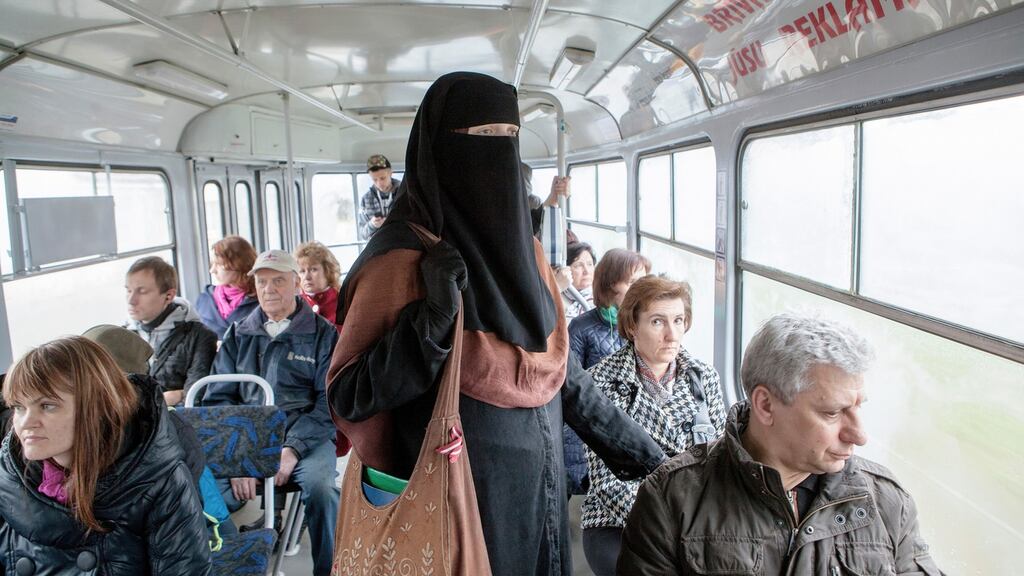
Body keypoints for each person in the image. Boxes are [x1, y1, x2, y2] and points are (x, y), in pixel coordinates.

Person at [327, 71, 666, 575]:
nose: (500, 155)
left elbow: (560, 375)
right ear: (441, 152)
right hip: (459, 503)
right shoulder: (400, 261)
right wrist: (432, 322)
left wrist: (654, 460)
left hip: (540, 495)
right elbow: (353, 393)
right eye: (484, 139)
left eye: (510, 138)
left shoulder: (525, 254)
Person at [618, 313, 944, 575]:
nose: (859, 435)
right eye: (832, 413)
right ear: (766, 405)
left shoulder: (886, 503)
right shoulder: (672, 500)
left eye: (859, 407)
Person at [0, 337, 211, 575]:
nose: (26, 422)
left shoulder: (157, 478)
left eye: (47, 406)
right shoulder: (8, 476)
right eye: (19, 407)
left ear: (96, 408)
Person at [203, 249, 339, 576]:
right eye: (262, 282)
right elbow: (218, 400)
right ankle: (235, 561)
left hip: (306, 438)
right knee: (200, 490)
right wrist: (237, 457)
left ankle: (329, 570)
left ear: (296, 285)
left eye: (278, 280)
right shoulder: (238, 334)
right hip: (246, 437)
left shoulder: (323, 335)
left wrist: (291, 450)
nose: (268, 289)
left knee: (321, 490)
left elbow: (328, 404)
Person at [579, 276, 726, 575]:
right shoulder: (601, 382)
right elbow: (608, 484)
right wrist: (672, 532)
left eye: (679, 320)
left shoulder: (703, 376)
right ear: (632, 326)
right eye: (658, 322)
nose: (672, 335)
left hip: (695, 519)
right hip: (616, 522)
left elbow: (722, 460)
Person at [563, 249, 651, 496]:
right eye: (633, 282)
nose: (641, 290)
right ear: (612, 285)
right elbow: (570, 391)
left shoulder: (644, 327)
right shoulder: (582, 328)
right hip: (592, 427)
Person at [124, 256, 217, 406]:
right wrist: (169, 397)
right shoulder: (122, 336)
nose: (131, 300)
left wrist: (179, 396)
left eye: (142, 291)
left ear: (169, 296)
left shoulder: (199, 337)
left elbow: (194, 399)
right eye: (128, 290)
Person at [196, 235, 260, 340]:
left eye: (218, 264)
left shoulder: (261, 301)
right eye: (212, 264)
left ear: (238, 264)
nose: (212, 270)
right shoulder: (205, 299)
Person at [294, 241, 342, 325]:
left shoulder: (343, 301)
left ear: (328, 271)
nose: (307, 277)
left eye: (313, 269)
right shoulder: (293, 306)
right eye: (302, 271)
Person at [358, 154, 401, 240]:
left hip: (402, 244)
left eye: (382, 178)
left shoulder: (405, 193)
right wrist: (372, 225)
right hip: (377, 248)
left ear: (390, 173)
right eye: (375, 179)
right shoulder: (365, 200)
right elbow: (362, 234)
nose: (379, 183)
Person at [561, 242, 597, 319]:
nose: (586, 271)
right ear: (566, 270)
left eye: (590, 264)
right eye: (578, 265)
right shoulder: (557, 298)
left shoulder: (602, 298)